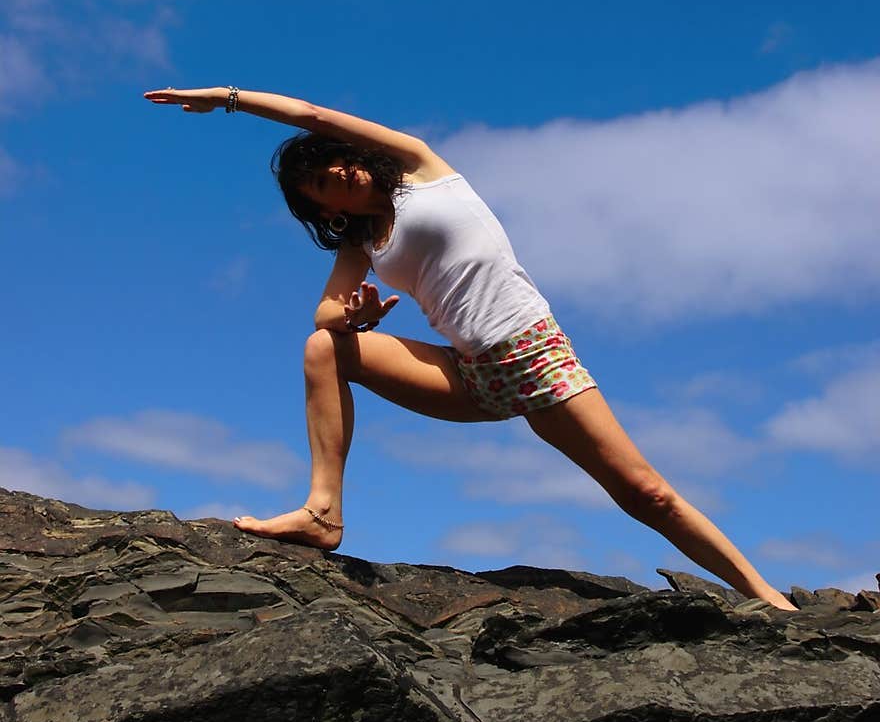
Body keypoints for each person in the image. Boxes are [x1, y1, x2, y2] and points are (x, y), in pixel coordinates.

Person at [144, 84, 797, 610]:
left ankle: (767, 599)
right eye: (321, 186)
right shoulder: (361, 244)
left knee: (645, 495)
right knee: (324, 345)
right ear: (325, 210)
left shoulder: (424, 169)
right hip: (470, 375)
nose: (338, 176)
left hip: (534, 357)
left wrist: (230, 98)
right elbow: (325, 309)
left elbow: (312, 112)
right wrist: (353, 315)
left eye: (332, 164)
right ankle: (322, 514)